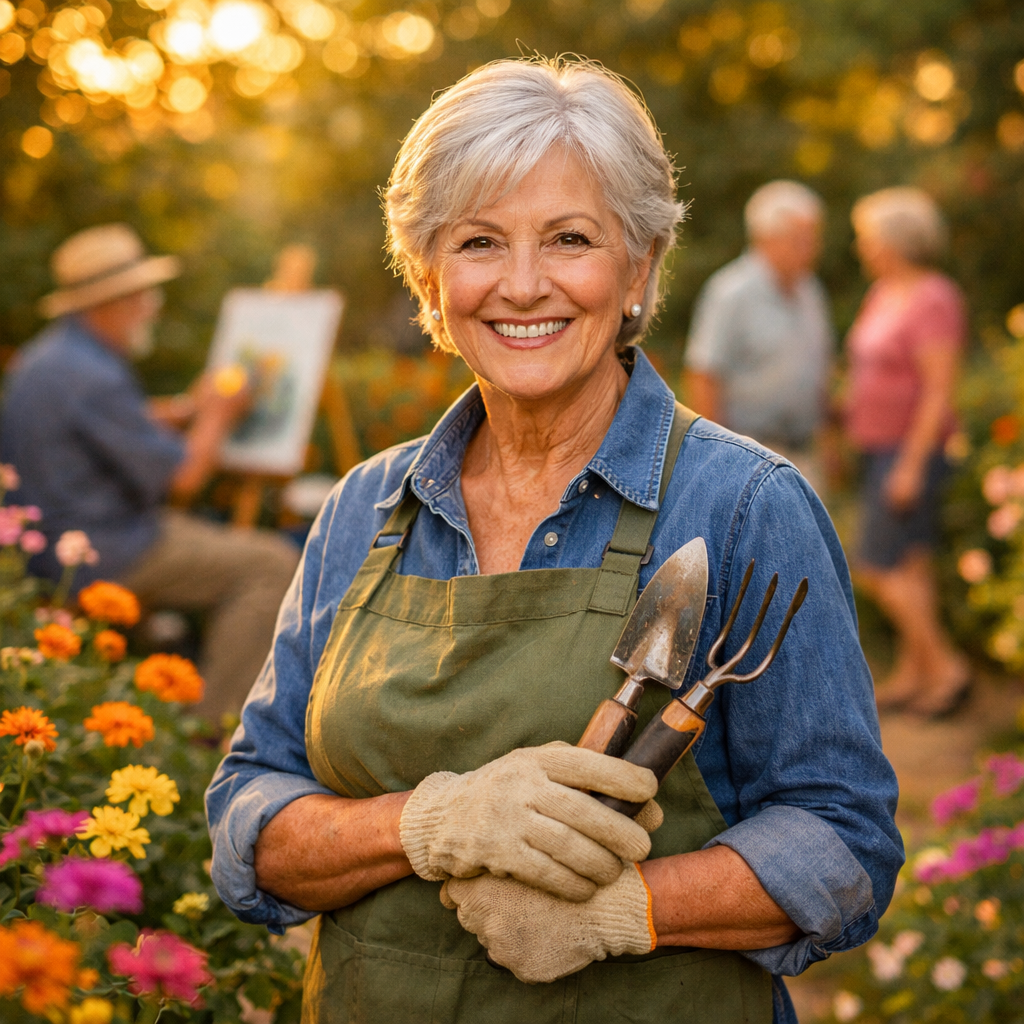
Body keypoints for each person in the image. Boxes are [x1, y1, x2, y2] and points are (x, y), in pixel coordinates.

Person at [206, 59, 902, 1024]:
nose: (523, 285)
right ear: (428, 274)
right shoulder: (366, 507)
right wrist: (428, 822)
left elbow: (845, 842)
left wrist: (629, 909)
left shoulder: (743, 505)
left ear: (641, 268)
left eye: (570, 239)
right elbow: (250, 818)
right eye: (480, 242)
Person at [1, 223, 300, 722]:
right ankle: (217, 735)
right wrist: (218, 416)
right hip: (105, 550)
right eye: (141, 294)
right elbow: (182, 480)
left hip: (51, 544)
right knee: (269, 565)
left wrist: (187, 410)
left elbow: (113, 423)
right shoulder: (93, 375)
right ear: (107, 303)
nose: (152, 305)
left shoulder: (50, 358)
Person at [845, 187, 971, 718]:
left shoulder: (934, 297)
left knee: (875, 566)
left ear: (894, 241)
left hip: (910, 451)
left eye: (868, 237)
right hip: (879, 448)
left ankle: (946, 668)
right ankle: (915, 676)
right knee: (912, 567)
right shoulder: (882, 292)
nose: (861, 246)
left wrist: (912, 465)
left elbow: (939, 389)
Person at [684, 180, 835, 493]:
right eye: (800, 239)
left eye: (813, 238)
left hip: (803, 454)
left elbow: (819, 372)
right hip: (747, 452)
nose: (812, 249)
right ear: (767, 239)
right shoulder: (730, 293)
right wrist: (712, 457)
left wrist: (828, 442)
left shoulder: (811, 292)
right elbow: (704, 374)